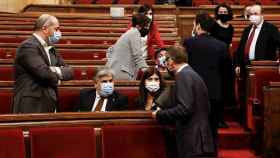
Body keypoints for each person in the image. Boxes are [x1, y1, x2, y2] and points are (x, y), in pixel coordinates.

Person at [152, 46, 215, 158]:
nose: (165, 64)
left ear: (172, 60)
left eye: (166, 60)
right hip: (199, 141)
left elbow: (184, 108)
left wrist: (159, 114)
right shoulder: (191, 74)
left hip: (193, 142)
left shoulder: (183, 75)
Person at [183, 12, 228, 153]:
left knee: (193, 128)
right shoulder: (221, 46)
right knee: (212, 128)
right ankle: (212, 153)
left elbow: (184, 67)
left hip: (192, 92)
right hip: (214, 93)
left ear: (198, 26)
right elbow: (226, 73)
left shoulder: (188, 42)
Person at [12, 14, 73, 113]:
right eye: (56, 29)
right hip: (32, 103)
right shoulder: (28, 46)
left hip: (50, 101)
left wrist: (52, 70)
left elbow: (70, 72)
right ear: (45, 28)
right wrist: (57, 73)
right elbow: (43, 73)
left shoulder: (52, 49)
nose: (59, 33)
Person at [234, 4, 280, 117]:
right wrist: (237, 64)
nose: (252, 16)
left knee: (258, 96)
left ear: (262, 14)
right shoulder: (247, 29)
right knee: (246, 93)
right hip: (246, 66)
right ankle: (245, 118)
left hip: (262, 66)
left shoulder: (271, 29)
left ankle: (257, 117)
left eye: (256, 14)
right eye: (250, 14)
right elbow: (240, 49)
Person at [211, 3, 236, 124]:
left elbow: (229, 44)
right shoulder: (213, 26)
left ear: (229, 13)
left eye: (225, 12)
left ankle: (221, 118)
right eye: (220, 12)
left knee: (225, 90)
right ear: (217, 13)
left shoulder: (231, 27)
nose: (223, 14)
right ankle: (216, 118)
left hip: (226, 60)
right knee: (216, 89)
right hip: (214, 60)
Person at [106, 14, 150, 80]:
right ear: (138, 26)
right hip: (122, 72)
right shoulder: (135, 33)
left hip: (114, 70)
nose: (147, 29)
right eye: (146, 26)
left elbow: (110, 50)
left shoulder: (128, 33)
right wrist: (149, 72)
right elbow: (137, 56)